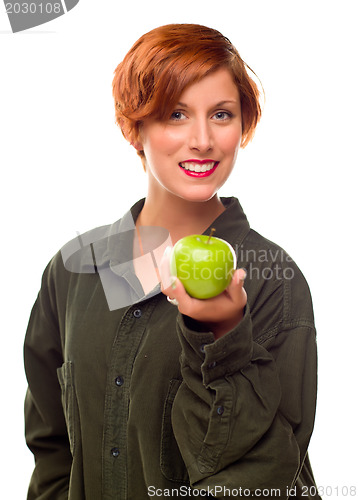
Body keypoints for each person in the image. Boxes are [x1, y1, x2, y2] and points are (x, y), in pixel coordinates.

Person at [24, 24, 322, 499]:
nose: (203, 140)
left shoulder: (271, 279)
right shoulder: (74, 271)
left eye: (221, 114)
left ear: (243, 125)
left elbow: (265, 473)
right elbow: (53, 450)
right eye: (176, 114)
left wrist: (224, 338)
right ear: (132, 126)